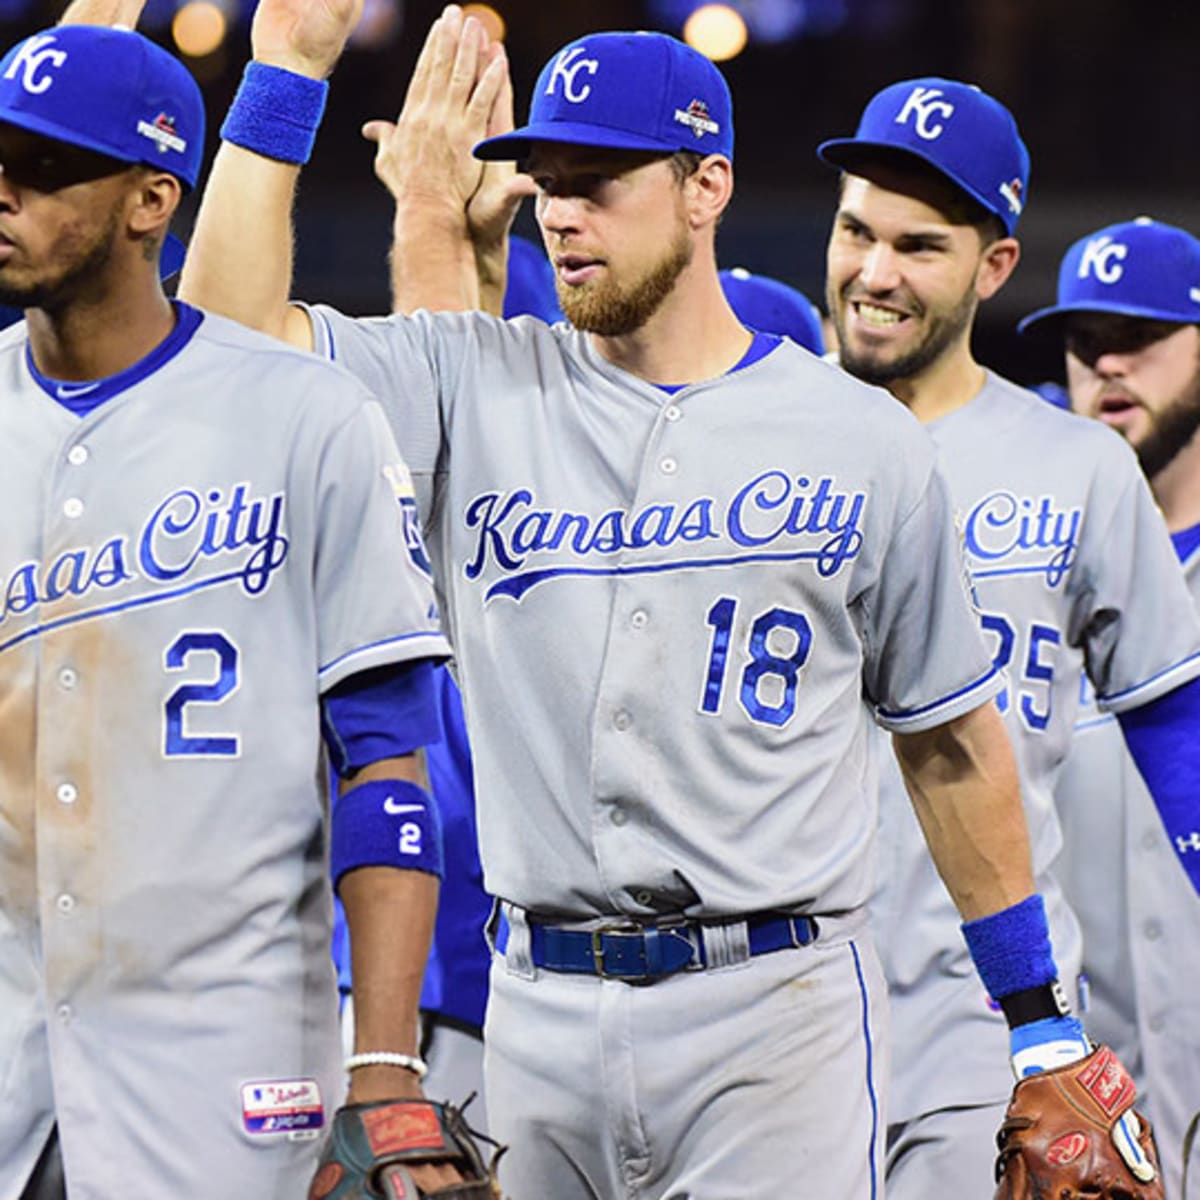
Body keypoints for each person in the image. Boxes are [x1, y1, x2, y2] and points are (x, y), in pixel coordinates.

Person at [159, 6, 1148, 1193]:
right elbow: (221, 351)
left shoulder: (857, 434)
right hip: (535, 1006)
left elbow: (949, 746)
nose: (563, 210)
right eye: (547, 180)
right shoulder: (473, 382)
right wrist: (283, 79)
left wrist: (1037, 1020)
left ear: (705, 186)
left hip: (772, 1012)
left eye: (601, 178)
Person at [0, 23, 455, 1197]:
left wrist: (387, 1068)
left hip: (225, 1063)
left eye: (47, 170)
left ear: (153, 199)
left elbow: (387, 768)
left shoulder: (306, 417)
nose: (5, 193)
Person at [816, 79, 1200, 1197]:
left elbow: (1172, 727)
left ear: (992, 267)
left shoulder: (1074, 467)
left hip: (986, 1009)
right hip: (774, 999)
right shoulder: (760, 433)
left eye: (920, 244)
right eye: (855, 231)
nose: (876, 273)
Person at [1019, 215, 1200, 1195]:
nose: (1109, 365)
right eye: (1085, 343)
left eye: (1143, 335)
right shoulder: (1018, 576)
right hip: (1075, 1090)